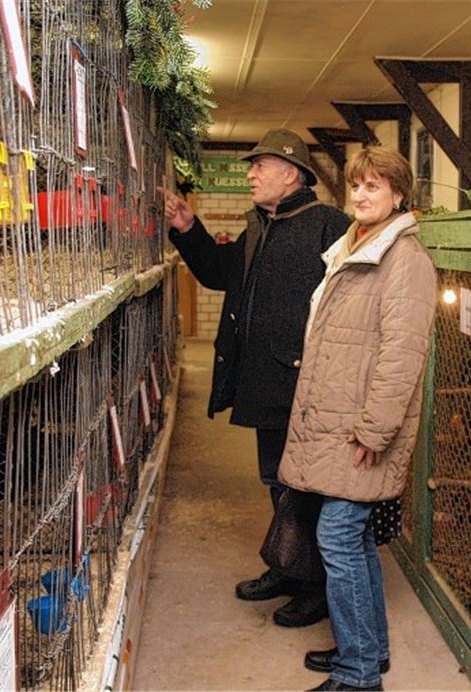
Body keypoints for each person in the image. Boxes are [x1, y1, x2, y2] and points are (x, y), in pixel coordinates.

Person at [160, 128, 350, 627]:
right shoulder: (263, 226)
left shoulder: (328, 225)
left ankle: (316, 587)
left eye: (258, 166)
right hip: (266, 381)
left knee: (305, 487)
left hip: (306, 385)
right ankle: (288, 566)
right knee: (277, 480)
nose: (250, 174)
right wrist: (187, 227)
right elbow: (223, 273)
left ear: (290, 174)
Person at [278, 147, 437, 690]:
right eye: (357, 186)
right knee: (357, 539)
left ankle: (359, 674)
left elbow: (402, 354)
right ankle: (368, 649)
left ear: (398, 195)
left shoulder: (405, 260)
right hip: (338, 421)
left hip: (363, 428)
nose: (362, 195)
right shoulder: (353, 245)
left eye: (375, 186)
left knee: (339, 538)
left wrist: (374, 429)